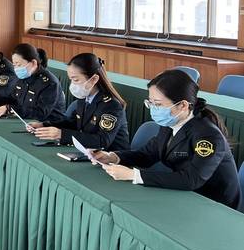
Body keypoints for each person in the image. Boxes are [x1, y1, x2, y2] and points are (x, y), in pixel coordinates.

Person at [92, 69, 241, 208]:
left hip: (214, 204)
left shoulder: (208, 136)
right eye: (150, 103)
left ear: (182, 105)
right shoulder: (170, 123)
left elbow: (191, 179)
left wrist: (134, 175)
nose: (153, 109)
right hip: (185, 195)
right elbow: (147, 154)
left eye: (158, 104)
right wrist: (113, 157)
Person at [29, 53, 130, 151]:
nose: (73, 84)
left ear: (94, 79)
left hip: (112, 157)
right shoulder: (83, 98)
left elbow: (102, 141)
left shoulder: (111, 105)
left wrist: (61, 134)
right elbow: (71, 123)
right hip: (88, 152)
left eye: (76, 80)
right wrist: (45, 125)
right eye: (71, 80)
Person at [0, 43, 65, 123]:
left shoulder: (49, 83)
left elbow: (40, 113)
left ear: (33, 63)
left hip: (48, 126)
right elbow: (12, 99)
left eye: (19, 65)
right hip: (25, 121)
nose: (16, 69)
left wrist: (9, 109)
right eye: (14, 65)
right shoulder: (24, 77)